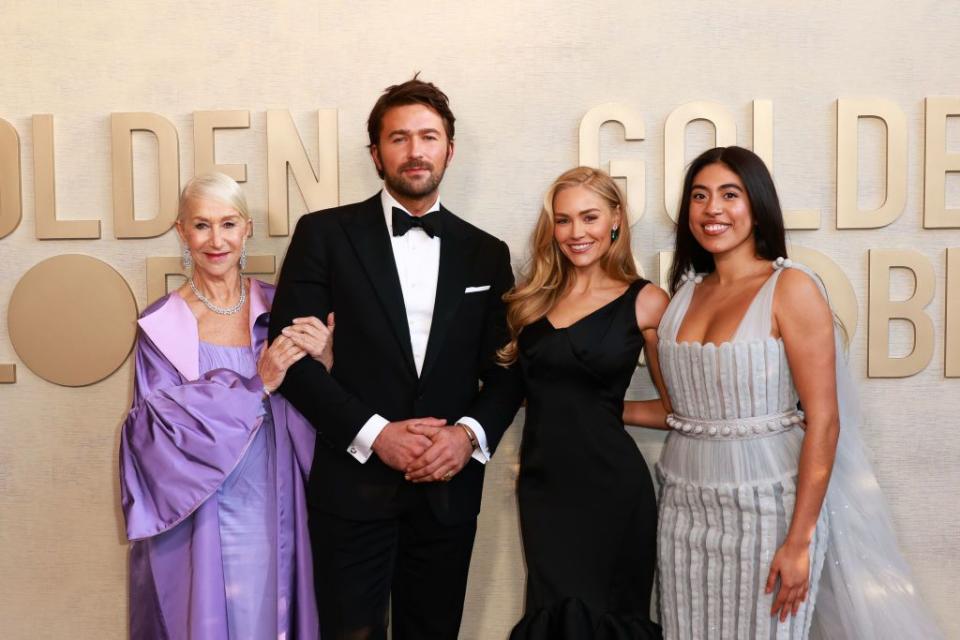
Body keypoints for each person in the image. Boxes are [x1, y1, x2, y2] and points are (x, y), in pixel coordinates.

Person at [637, 146, 942, 639]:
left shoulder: (792, 288)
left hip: (769, 510)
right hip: (683, 507)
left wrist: (799, 541)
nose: (713, 208)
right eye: (700, 196)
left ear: (757, 206)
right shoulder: (684, 293)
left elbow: (824, 420)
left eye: (729, 194)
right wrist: (586, 407)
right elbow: (682, 412)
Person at [268, 76, 523, 640]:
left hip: (448, 491)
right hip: (350, 486)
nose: (415, 151)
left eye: (428, 137)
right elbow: (289, 360)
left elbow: (507, 369)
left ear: (449, 150)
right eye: (399, 138)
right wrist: (376, 434)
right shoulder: (323, 235)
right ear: (376, 153)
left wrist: (468, 437)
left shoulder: (487, 252)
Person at [119, 173, 330, 639]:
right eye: (201, 226)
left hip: (277, 500)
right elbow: (157, 432)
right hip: (198, 511)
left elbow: (321, 408)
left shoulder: (282, 311)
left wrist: (327, 362)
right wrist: (259, 384)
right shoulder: (162, 325)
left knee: (270, 612)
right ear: (181, 231)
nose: (216, 241)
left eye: (228, 224)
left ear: (248, 229)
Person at [500, 167, 667, 639]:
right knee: (554, 617)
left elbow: (674, 410)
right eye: (564, 220)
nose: (577, 233)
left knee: (606, 619)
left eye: (589, 217)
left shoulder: (647, 301)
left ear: (615, 219)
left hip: (612, 490)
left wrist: (607, 410)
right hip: (544, 488)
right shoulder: (531, 301)